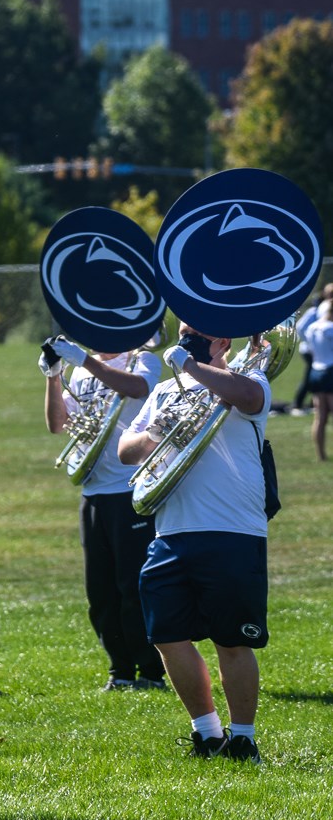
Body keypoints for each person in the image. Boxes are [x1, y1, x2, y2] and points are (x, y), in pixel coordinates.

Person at [119, 324, 272, 762]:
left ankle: (243, 738)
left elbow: (249, 401)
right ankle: (207, 734)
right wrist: (154, 435)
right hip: (171, 529)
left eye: (196, 334)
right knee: (166, 634)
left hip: (232, 530)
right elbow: (125, 451)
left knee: (232, 639)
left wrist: (191, 364)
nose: (185, 339)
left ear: (223, 342)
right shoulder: (165, 390)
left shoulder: (248, 379)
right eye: (184, 334)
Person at [40, 336, 165, 691]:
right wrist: (53, 376)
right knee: (101, 590)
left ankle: (152, 671)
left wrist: (84, 358)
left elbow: (138, 388)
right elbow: (57, 424)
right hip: (93, 491)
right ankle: (120, 669)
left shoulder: (142, 359)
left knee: (134, 585)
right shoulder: (80, 371)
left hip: (130, 488)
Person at [301, 298, 333, 462]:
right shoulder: (331, 329)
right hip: (330, 372)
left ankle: (321, 455)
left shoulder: (313, 327)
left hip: (315, 371)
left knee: (320, 417)